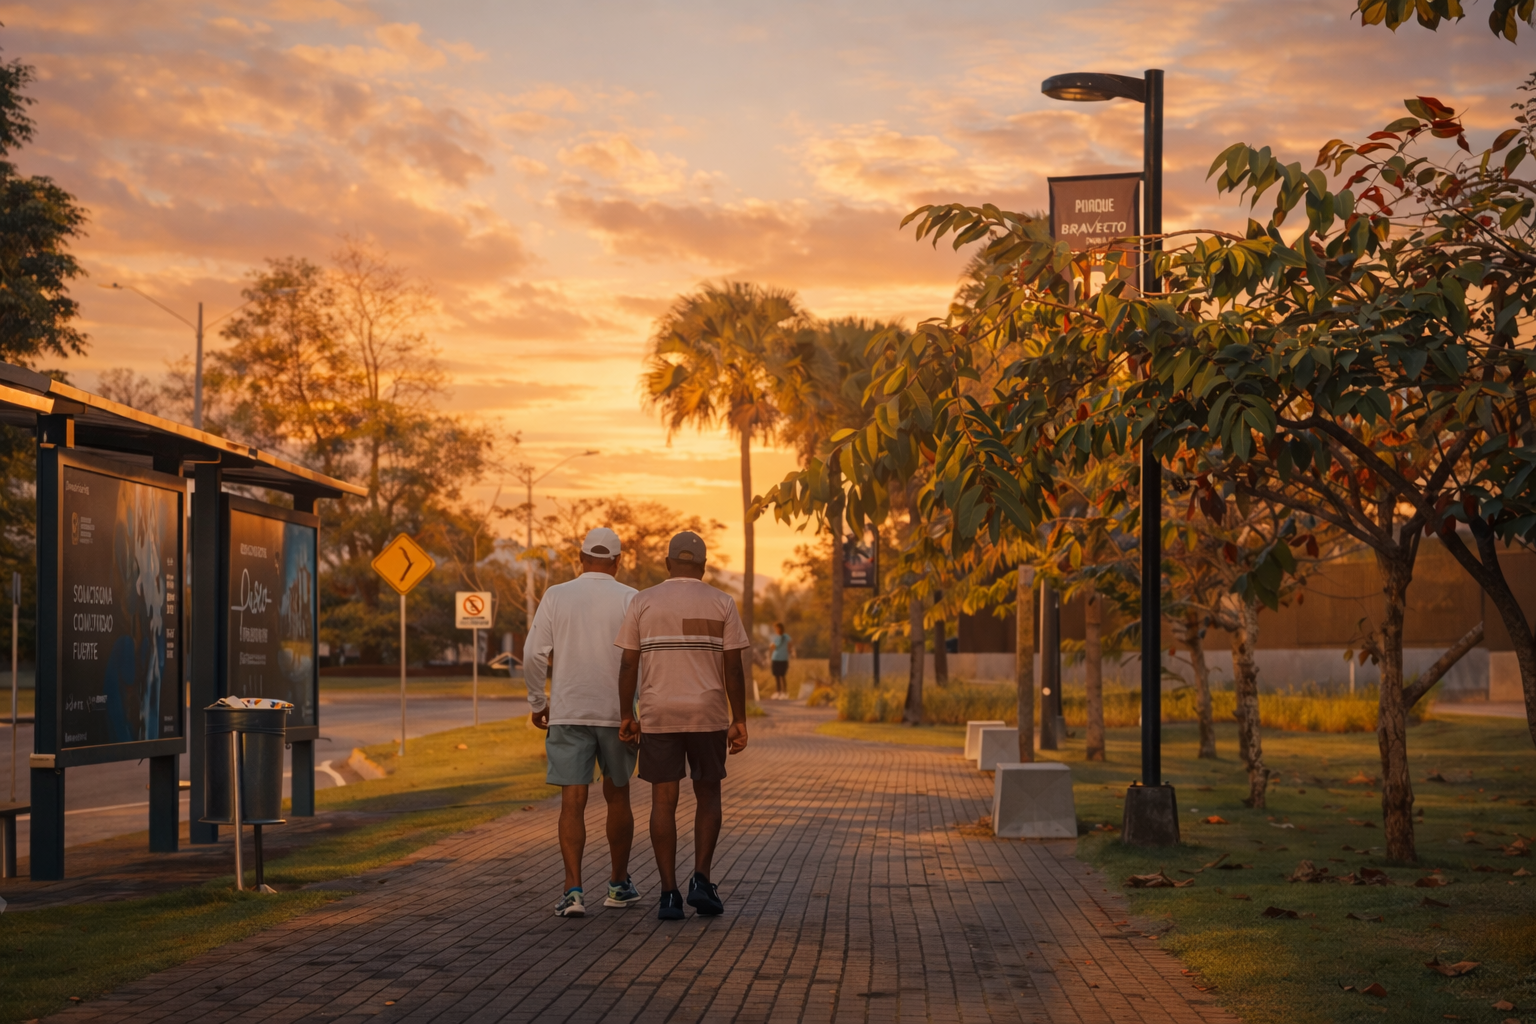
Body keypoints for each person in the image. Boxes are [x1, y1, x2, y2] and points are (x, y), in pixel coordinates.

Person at [617, 530, 749, 920]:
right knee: (708, 795)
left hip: (659, 713)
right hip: (707, 713)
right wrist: (738, 718)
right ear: (704, 566)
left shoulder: (643, 601)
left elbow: (628, 663)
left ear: (668, 563)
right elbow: (734, 667)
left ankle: (669, 894)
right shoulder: (722, 602)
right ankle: (702, 880)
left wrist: (628, 713)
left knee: (664, 802)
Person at [524, 526, 642, 918]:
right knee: (618, 795)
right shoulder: (631, 599)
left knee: (572, 801)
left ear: (580, 558)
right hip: (617, 713)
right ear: (618, 560)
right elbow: (642, 660)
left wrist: (538, 701)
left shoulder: (557, 595)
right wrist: (637, 710)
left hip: (568, 711)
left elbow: (532, 655)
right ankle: (618, 884)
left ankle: (572, 891)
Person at [769, 623, 793, 699]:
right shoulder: (778, 637)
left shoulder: (784, 637)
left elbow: (773, 646)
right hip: (776, 658)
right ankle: (778, 692)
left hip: (782, 658)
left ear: (780, 628)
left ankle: (784, 692)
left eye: (777, 628)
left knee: (782, 676)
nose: (776, 630)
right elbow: (789, 646)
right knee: (777, 676)